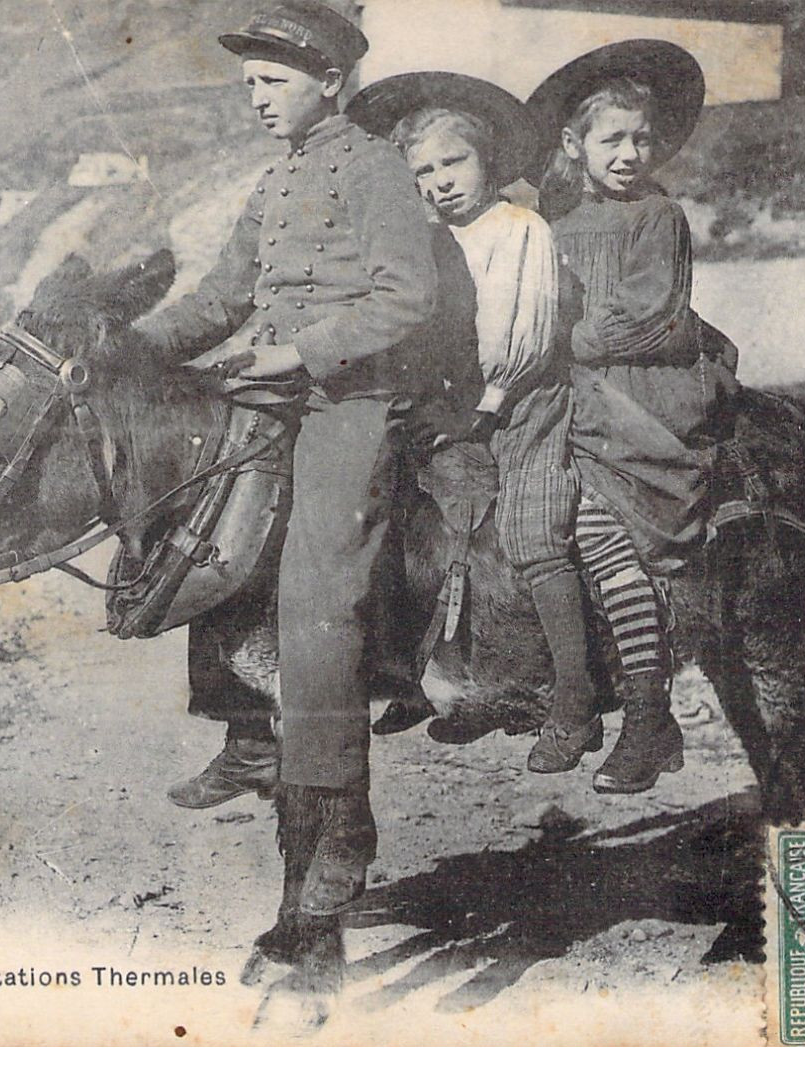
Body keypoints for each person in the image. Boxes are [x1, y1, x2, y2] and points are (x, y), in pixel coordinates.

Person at [130, 0, 444, 915]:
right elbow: (219, 297)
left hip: (350, 402)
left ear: (331, 81)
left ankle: (344, 821)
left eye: (272, 83)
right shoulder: (273, 185)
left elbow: (407, 297)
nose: (256, 100)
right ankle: (246, 736)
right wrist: (130, 347)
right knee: (192, 535)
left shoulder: (377, 170)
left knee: (317, 598)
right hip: (274, 398)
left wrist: (300, 353)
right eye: (248, 86)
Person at [348, 73, 603, 773]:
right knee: (380, 506)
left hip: (518, 402)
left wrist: (480, 413)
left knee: (523, 526)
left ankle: (568, 695)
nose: (438, 183)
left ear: (486, 159)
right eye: (421, 172)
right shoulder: (429, 240)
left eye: (451, 163)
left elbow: (517, 338)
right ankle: (418, 670)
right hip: (449, 407)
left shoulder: (516, 228)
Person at [527, 40, 740, 793]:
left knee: (600, 522)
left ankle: (647, 714)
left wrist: (559, 343)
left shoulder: (658, 215)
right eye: (610, 138)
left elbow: (648, 317)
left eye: (640, 139)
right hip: (570, 384)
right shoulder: (552, 219)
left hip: (642, 387)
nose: (627, 153)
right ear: (572, 144)